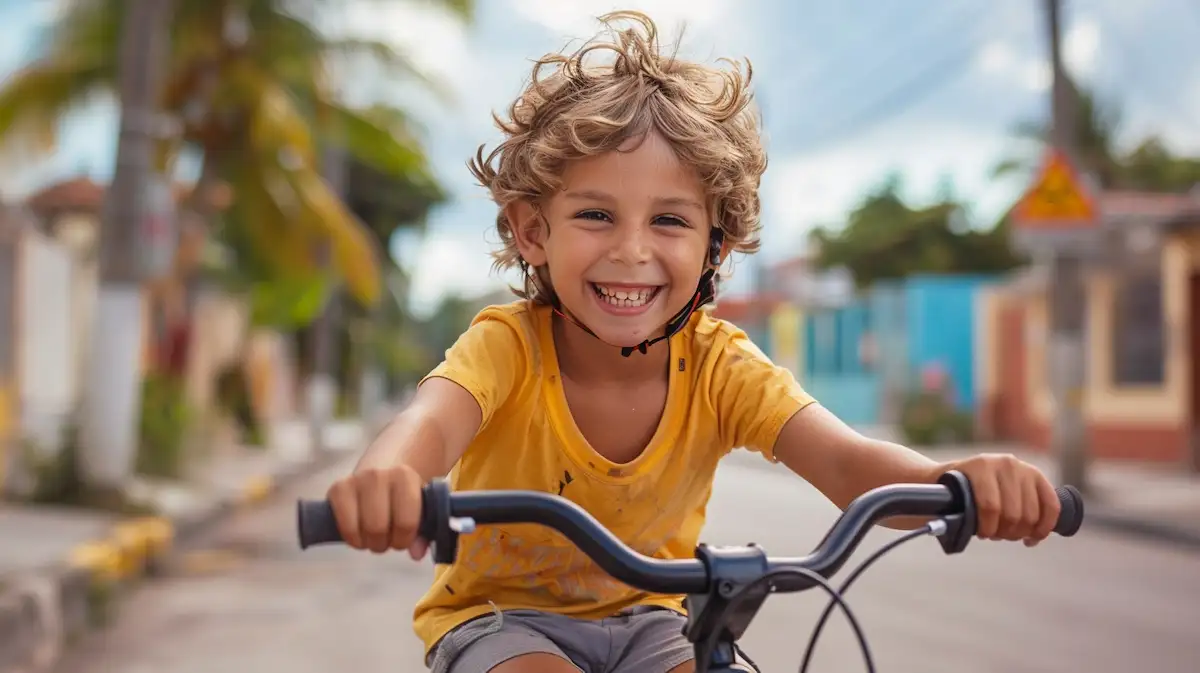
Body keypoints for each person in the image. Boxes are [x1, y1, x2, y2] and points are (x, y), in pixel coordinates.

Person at [325, 11, 1062, 673]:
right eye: (595, 215)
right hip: (498, 621)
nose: (633, 251)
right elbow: (427, 423)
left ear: (718, 244)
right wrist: (388, 478)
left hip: (652, 622)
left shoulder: (721, 366)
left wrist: (958, 482)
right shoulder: (508, 348)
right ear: (531, 231)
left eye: (671, 221)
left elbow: (847, 461)